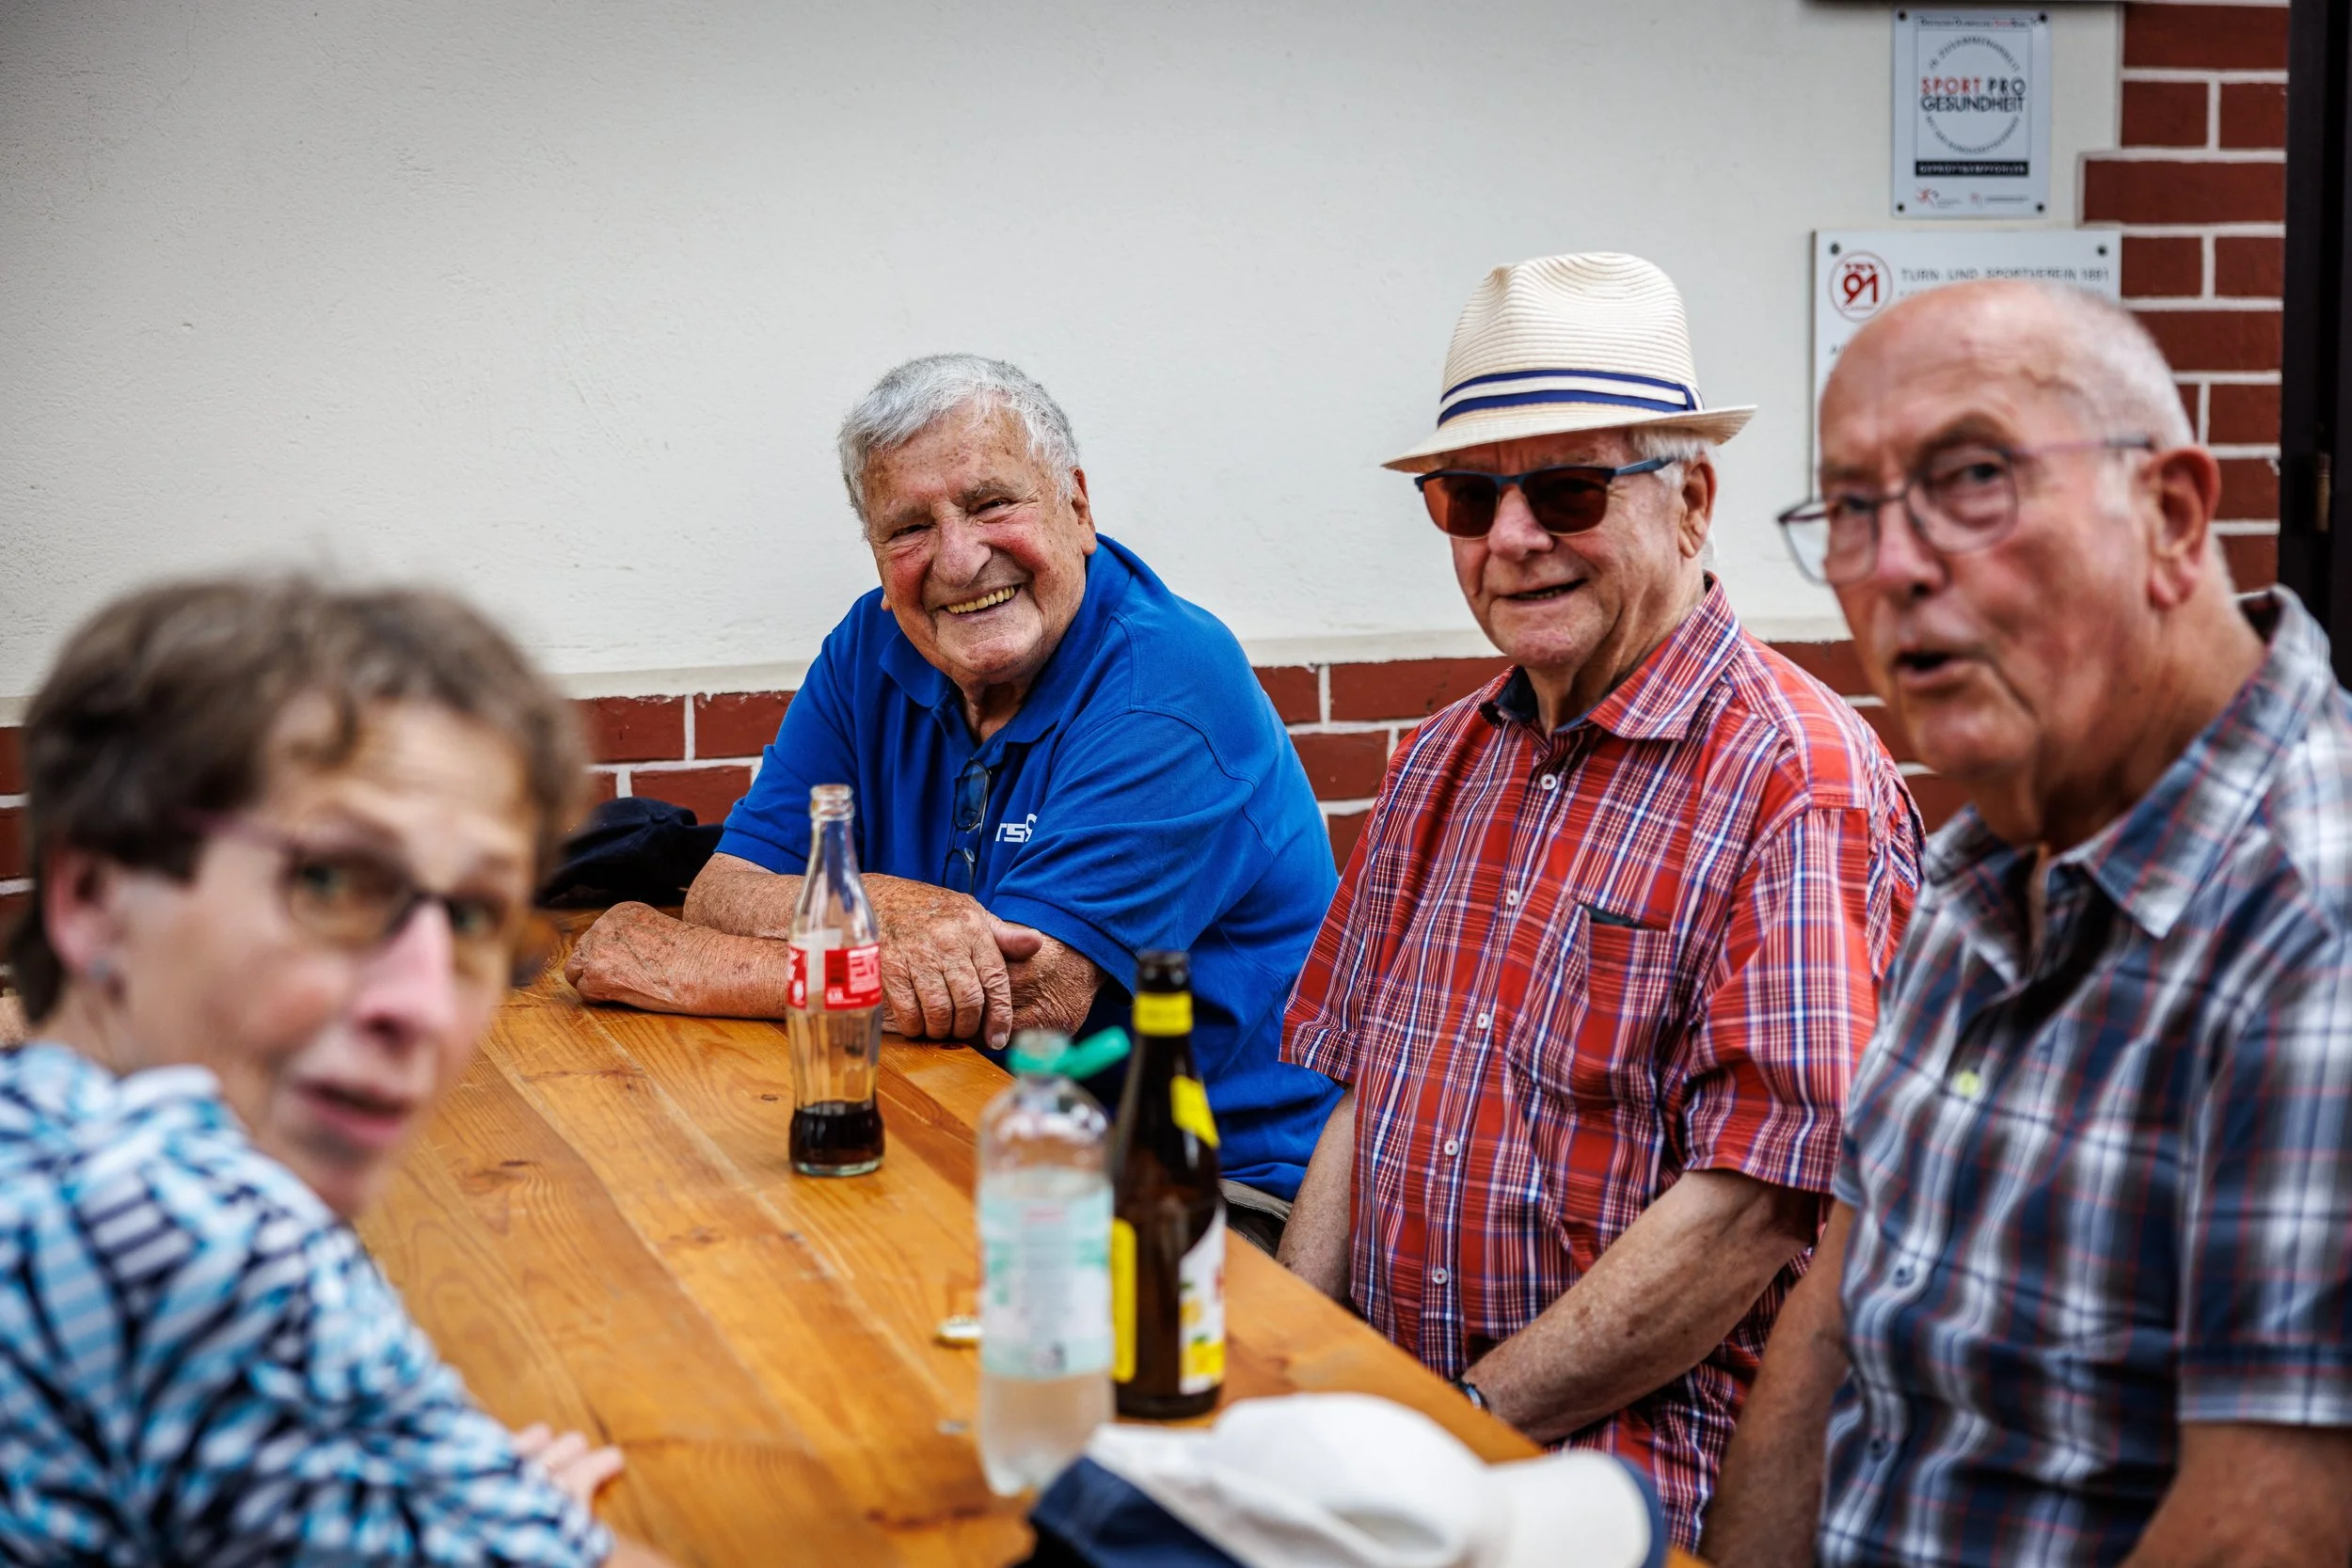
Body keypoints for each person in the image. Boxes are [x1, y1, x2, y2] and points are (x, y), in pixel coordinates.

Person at [1700, 280, 2352, 1568]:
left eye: (1976, 477)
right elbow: (1840, 1318)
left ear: (2169, 515)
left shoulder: (2310, 934)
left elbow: (2269, 1526)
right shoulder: (1986, 862)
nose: (1892, 564)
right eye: (1850, 509)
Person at [1275, 252, 1921, 1548]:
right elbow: (1365, 1104)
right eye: (1469, 495)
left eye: (1567, 489)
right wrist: (1286, 1385)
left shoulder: (1798, 778)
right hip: (1401, 1455)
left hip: (1630, 1483)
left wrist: (1456, 1424)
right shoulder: (1444, 754)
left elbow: (1754, 1209)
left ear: (1693, 503)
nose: (1513, 539)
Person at [567, 354, 1341, 1242]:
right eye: (909, 527)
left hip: (1205, 1187)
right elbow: (724, 885)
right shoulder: (872, 644)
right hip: (976, 1125)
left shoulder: (1168, 685)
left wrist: (702, 967)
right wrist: (907, 914)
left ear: (1078, 507)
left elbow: (1027, 997)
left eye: (990, 503)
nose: (959, 559)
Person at [0, 578, 668, 1566]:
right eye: (333, 881)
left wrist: (451, 1515)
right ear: (96, 895)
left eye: (477, 917)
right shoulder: (197, 1229)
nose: (426, 1002)